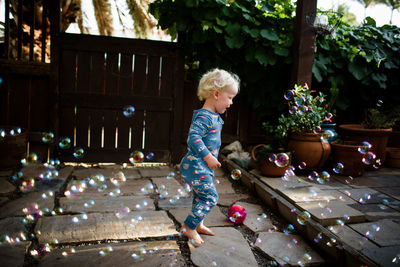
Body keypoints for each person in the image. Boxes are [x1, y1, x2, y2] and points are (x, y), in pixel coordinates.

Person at [179, 68, 240, 245]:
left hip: (201, 166)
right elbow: (193, 138)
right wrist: (208, 157)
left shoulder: (212, 116)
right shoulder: (205, 117)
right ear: (216, 94)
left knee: (200, 196)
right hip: (197, 165)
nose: (231, 103)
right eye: (229, 98)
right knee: (210, 197)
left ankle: (198, 224)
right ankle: (189, 227)